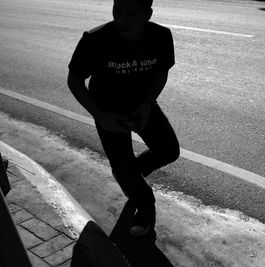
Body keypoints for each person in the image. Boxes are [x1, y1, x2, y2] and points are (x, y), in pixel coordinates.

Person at [67, 0, 180, 237]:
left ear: (147, 13)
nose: (121, 19)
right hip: (108, 112)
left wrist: (148, 103)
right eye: (117, 11)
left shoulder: (160, 36)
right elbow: (75, 81)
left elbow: (162, 72)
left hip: (142, 106)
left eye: (131, 14)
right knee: (127, 173)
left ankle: (130, 173)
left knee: (169, 150)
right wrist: (100, 115)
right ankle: (145, 204)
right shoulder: (95, 39)